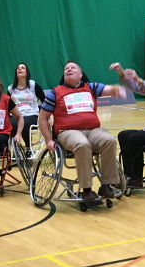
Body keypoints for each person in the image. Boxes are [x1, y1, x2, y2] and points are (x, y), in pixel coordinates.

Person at [39, 61, 125, 202]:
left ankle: (106, 185)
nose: (69, 69)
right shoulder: (55, 93)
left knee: (109, 140)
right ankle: (86, 190)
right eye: (66, 68)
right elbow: (43, 118)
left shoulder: (91, 88)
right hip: (68, 132)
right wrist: (48, 140)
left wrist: (119, 79)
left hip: (93, 130)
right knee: (82, 144)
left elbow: (113, 89)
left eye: (73, 68)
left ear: (80, 75)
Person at [7, 63, 46, 148]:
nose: (19, 69)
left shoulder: (33, 85)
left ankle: (29, 147)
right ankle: (16, 148)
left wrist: (47, 118)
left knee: (24, 124)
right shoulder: (10, 89)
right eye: (18, 68)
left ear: (27, 72)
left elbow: (45, 101)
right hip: (16, 115)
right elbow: (7, 106)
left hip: (31, 114)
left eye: (22, 68)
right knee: (12, 124)